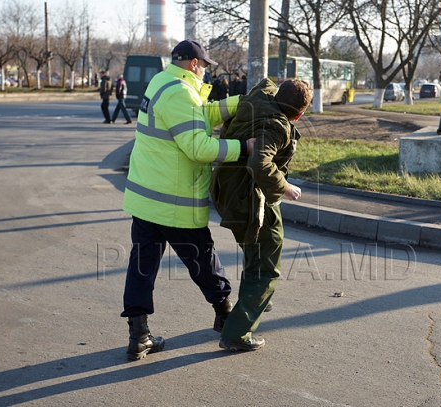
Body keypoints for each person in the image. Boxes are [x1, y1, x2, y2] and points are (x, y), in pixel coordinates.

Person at [121, 39, 255, 361]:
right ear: (195, 64)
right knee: (204, 261)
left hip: (146, 199)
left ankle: (139, 336)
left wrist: (240, 103)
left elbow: (200, 115)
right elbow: (199, 147)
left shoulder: (162, 82)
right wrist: (243, 148)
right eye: (205, 65)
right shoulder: (181, 93)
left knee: (141, 268)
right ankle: (225, 318)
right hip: (174, 200)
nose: (206, 71)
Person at [210, 77, 312, 351]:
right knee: (266, 260)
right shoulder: (277, 126)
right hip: (249, 199)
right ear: (299, 114)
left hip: (227, 189)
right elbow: (260, 162)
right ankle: (237, 333)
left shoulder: (259, 98)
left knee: (255, 252)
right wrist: (286, 187)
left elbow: (265, 84)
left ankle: (253, 303)